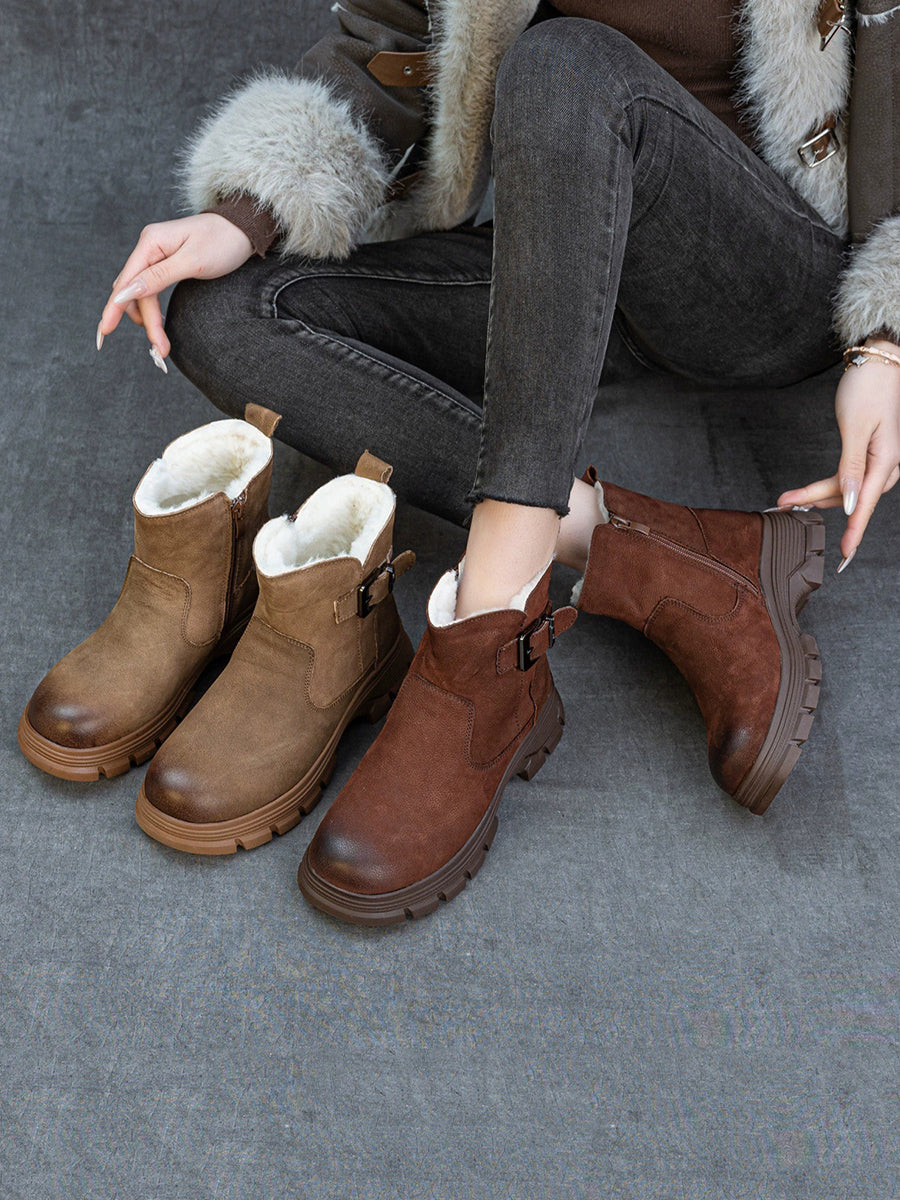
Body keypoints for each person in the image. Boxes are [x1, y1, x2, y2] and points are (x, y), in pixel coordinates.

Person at [91, 0, 899, 925]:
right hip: (568, 249)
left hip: (757, 280)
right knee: (223, 311)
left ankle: (491, 630)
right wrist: (245, 214)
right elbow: (392, 32)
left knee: (565, 63)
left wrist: (887, 344)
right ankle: (672, 558)